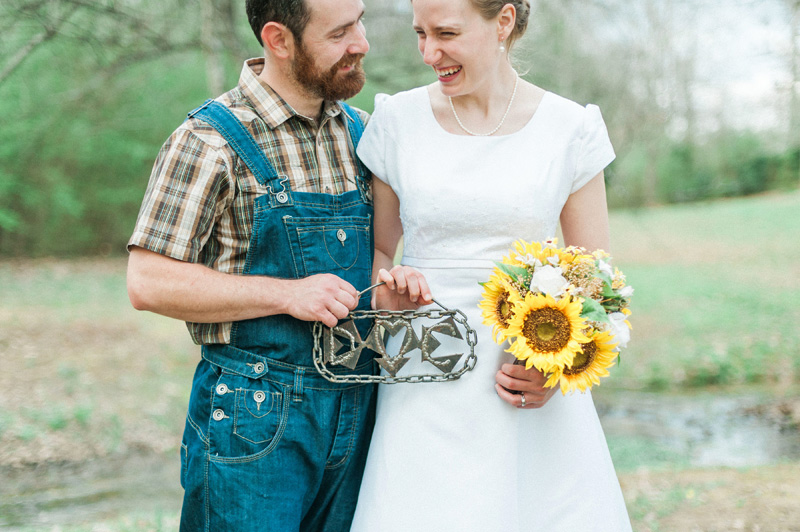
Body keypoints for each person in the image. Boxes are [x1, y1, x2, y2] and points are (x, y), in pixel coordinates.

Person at [348, 0, 633, 530]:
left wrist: (557, 371)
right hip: (425, 370)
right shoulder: (396, 119)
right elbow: (379, 255)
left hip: (527, 379)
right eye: (420, 33)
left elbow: (596, 279)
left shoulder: (571, 127)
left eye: (446, 33)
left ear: (503, 21)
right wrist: (387, 291)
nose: (429, 52)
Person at [125, 0, 378, 530]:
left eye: (359, 21)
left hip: (360, 409)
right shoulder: (208, 140)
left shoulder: (364, 135)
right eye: (340, 33)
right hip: (255, 416)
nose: (361, 43)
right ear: (279, 40)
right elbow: (148, 281)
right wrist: (287, 294)